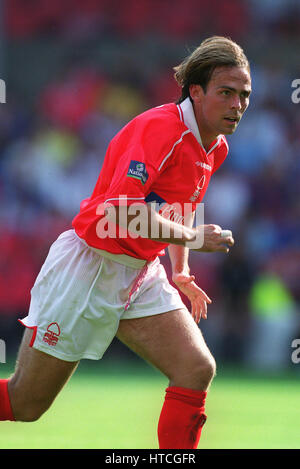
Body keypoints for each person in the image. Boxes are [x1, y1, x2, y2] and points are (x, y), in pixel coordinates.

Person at [0, 36, 251, 449]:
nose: (237, 105)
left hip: (140, 272)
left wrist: (182, 269)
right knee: (25, 402)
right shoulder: (160, 129)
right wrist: (193, 238)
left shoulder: (214, 147)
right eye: (226, 92)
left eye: (244, 95)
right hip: (90, 266)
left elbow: (180, 207)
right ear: (196, 91)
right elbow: (119, 211)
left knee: (195, 368)